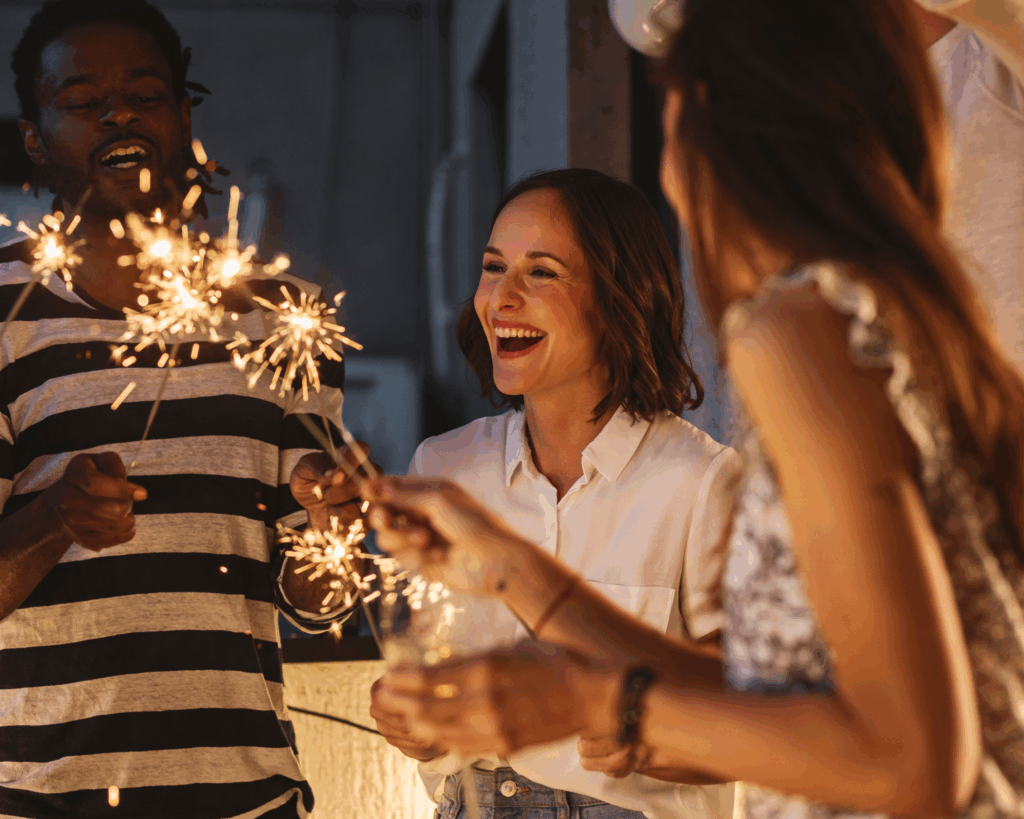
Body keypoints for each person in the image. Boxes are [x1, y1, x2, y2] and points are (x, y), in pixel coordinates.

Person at [367, 0, 1024, 817]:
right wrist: (513, 569)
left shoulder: (800, 330)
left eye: (674, 98)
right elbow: (791, 701)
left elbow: (914, 762)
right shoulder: (911, 326)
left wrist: (600, 703)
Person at [0, 1, 369, 816]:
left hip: (247, 798)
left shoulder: (284, 316)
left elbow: (320, 605)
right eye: (82, 100)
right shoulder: (2, 317)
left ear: (183, 117)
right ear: (35, 139)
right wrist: (55, 515)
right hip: (41, 801)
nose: (119, 115)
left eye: (144, 94)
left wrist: (333, 523)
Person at [367, 168, 740, 819]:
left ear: (621, 295)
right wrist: (416, 724)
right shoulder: (443, 469)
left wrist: (640, 737)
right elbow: (427, 679)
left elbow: (755, 729)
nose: (501, 297)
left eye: (541, 272)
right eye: (493, 268)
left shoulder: (704, 482)